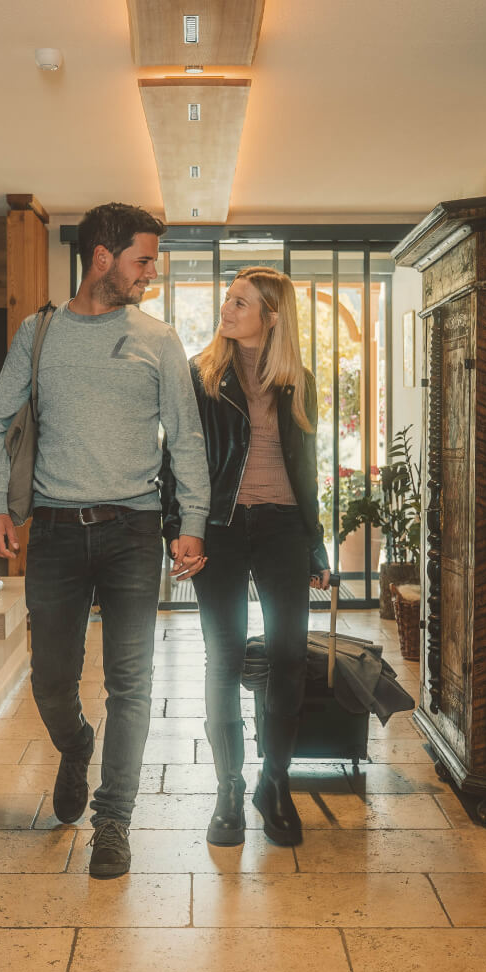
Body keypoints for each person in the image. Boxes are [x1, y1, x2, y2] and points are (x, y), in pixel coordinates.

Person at [0, 202, 210, 879]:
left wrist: (192, 522)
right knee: (50, 680)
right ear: (102, 257)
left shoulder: (158, 340)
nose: (151, 274)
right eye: (143, 260)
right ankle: (76, 745)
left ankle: (113, 820)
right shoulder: (39, 333)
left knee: (131, 683)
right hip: (53, 531)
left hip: (134, 530)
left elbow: (186, 437)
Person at [162, 267, 330, 848]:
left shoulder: (298, 380)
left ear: (272, 316)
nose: (226, 308)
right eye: (228, 299)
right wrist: (177, 529)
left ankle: (274, 783)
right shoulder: (201, 375)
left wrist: (315, 544)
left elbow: (306, 469)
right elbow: (178, 458)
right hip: (221, 528)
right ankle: (228, 789)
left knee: (289, 656)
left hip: (283, 527)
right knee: (225, 657)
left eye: (241, 302)